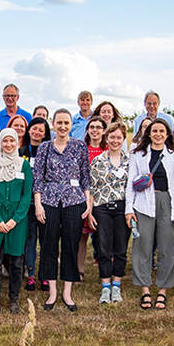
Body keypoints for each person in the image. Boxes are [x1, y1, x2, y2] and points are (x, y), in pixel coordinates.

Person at [33, 109, 91, 312]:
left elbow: (85, 177)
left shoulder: (79, 147)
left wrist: (88, 203)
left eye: (67, 123)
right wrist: (38, 204)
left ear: (70, 124)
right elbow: (38, 177)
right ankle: (52, 292)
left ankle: (67, 291)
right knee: (48, 244)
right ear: (53, 124)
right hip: (48, 201)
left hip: (74, 202)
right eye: (60, 123)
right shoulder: (45, 148)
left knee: (70, 245)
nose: (63, 126)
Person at [126, 119, 174, 310]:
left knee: (167, 247)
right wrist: (129, 210)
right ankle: (145, 290)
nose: (158, 134)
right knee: (142, 246)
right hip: (143, 203)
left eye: (162, 131)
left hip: (166, 202)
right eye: (154, 131)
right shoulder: (138, 155)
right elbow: (130, 185)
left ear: (167, 134)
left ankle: (162, 291)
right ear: (148, 134)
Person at [0, 128, 33, 314]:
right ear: (0, 142)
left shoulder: (23, 165)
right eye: (5, 141)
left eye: (12, 141)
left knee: (16, 262)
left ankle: (14, 299)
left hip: (17, 220)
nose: (9, 145)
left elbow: (27, 196)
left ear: (17, 142)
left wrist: (15, 220)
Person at [89, 122, 131, 304]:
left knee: (121, 248)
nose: (115, 140)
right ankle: (105, 287)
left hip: (122, 208)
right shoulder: (98, 161)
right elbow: (91, 188)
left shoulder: (130, 161)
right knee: (104, 248)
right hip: (102, 208)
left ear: (123, 139)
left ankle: (117, 285)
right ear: (107, 138)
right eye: (111, 137)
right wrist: (89, 212)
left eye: (118, 137)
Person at [20, 118, 51, 291]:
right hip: (27, 203)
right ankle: (30, 275)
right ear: (29, 130)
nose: (37, 132)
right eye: (34, 128)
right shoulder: (21, 151)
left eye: (41, 130)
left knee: (46, 240)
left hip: (46, 203)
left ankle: (45, 276)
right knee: (30, 240)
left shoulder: (50, 152)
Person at [77, 116, 107, 279]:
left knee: (103, 236)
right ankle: (79, 269)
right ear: (88, 130)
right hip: (83, 196)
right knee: (81, 236)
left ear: (104, 130)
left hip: (102, 198)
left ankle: (105, 271)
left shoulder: (108, 149)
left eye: (98, 127)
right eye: (92, 127)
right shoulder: (81, 149)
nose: (95, 130)